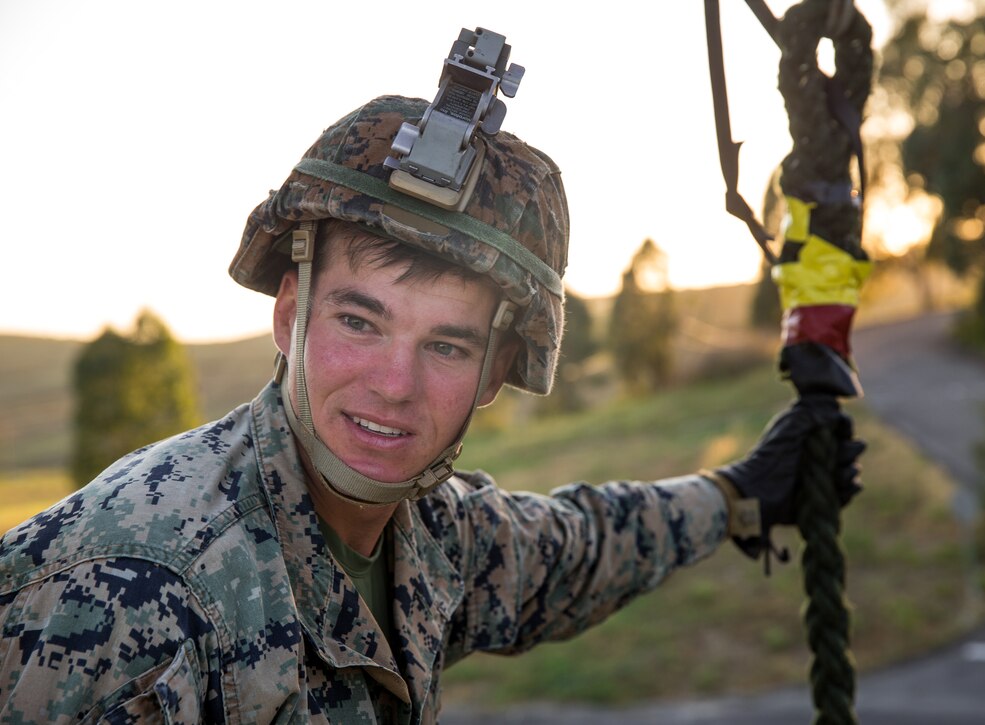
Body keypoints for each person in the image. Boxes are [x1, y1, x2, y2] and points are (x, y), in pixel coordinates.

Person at [0, 33, 862, 724]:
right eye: (359, 320)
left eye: (448, 345)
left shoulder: (428, 534)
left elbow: (570, 550)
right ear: (288, 312)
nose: (395, 384)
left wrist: (743, 492)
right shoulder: (129, 595)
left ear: (494, 372)